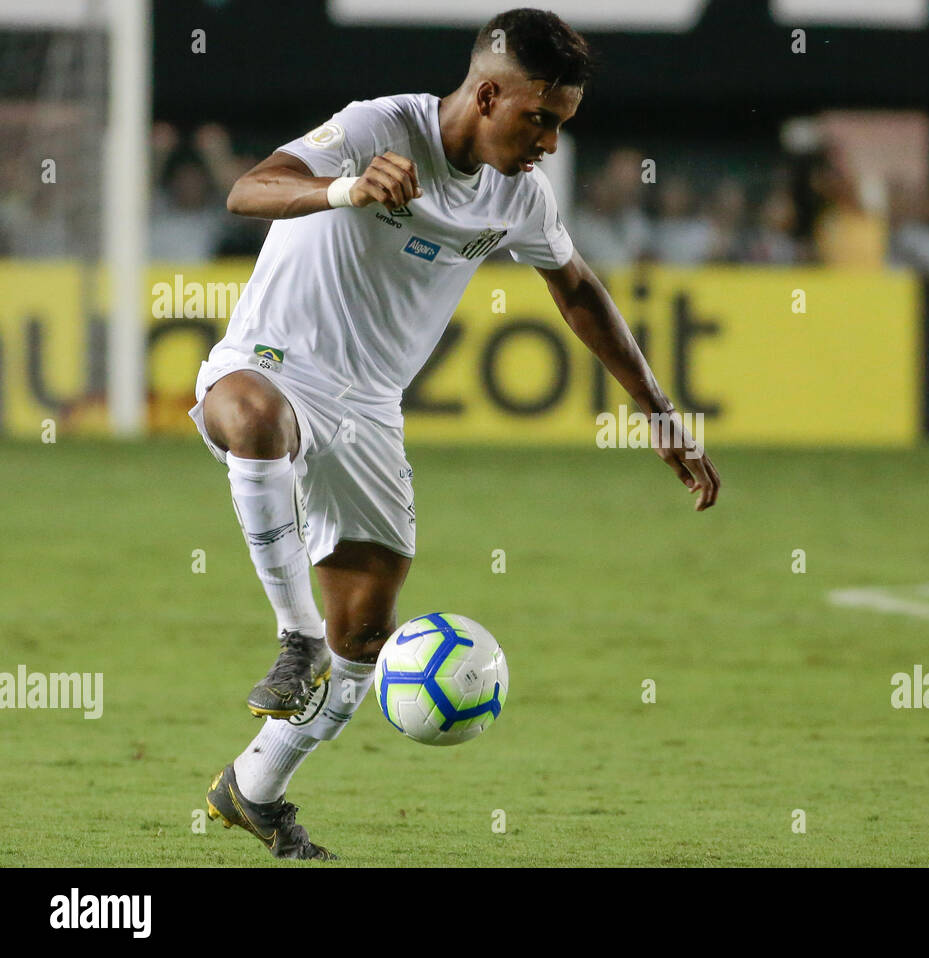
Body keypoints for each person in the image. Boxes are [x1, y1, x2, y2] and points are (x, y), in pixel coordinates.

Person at [191, 7, 720, 860]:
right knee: (255, 419)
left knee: (362, 639)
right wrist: (344, 189)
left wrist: (659, 409)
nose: (548, 141)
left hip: (368, 410)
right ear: (486, 94)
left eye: (560, 124)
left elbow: (577, 288)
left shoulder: (519, 195)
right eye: (539, 119)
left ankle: (253, 790)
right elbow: (248, 188)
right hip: (272, 361)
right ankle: (294, 640)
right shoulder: (379, 126)